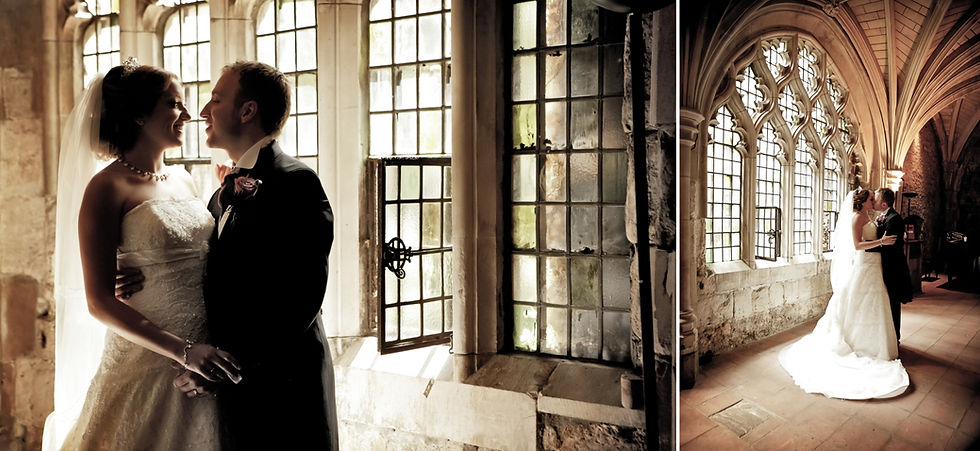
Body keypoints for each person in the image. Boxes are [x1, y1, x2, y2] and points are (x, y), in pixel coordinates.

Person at [53, 62, 242, 450]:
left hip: (206, 360)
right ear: (139, 115)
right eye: (175, 105)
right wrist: (184, 351)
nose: (188, 116)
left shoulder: (185, 179)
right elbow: (99, 302)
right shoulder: (106, 187)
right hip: (149, 358)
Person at [169, 61, 338, 450]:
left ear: (248, 111)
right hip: (237, 392)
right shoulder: (221, 191)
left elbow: (301, 297)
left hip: (285, 386)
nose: (203, 113)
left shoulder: (294, 181)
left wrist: (223, 368)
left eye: (215, 99)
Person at [778, 188, 910, 399]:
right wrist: (881, 242)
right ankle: (859, 344)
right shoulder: (856, 218)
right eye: (870, 198)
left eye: (874, 198)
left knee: (876, 304)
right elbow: (857, 245)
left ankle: (879, 344)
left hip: (875, 267)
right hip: (864, 265)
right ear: (863, 202)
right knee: (859, 303)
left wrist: (882, 242)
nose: (873, 200)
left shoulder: (869, 215)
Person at [869, 187, 913, 342]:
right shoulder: (883, 216)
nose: (873, 200)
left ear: (883, 204)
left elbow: (888, 245)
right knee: (886, 303)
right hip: (884, 266)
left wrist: (864, 248)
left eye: (876, 198)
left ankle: (895, 337)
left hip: (893, 268)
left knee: (893, 303)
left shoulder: (894, 218)